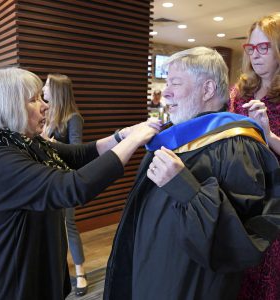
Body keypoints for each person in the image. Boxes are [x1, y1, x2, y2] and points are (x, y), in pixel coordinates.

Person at [103, 47, 280, 300]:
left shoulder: (236, 145)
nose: (165, 91)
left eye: (175, 82)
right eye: (166, 82)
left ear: (207, 89)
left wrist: (185, 188)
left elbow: (238, 242)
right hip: (152, 266)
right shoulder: (172, 136)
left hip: (188, 283)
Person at [0, 67, 161, 300]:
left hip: (40, 264)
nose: (45, 105)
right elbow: (72, 188)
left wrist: (121, 136)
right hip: (13, 281)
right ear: (9, 105)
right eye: (34, 100)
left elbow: (78, 154)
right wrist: (134, 141)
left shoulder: (23, 142)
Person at [228, 12, 280, 300]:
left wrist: (269, 135)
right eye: (252, 48)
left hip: (274, 200)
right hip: (240, 194)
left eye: (265, 47)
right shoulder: (241, 90)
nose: (256, 55)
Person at [42, 73, 88, 297]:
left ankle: (80, 272)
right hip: (46, 179)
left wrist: (48, 142)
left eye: (47, 85)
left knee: (68, 225)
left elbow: (77, 151)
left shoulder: (73, 118)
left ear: (57, 91)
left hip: (64, 180)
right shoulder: (47, 113)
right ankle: (58, 272)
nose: (43, 89)